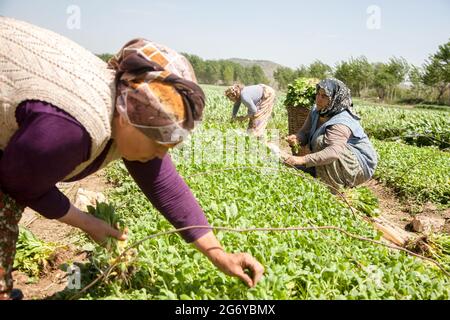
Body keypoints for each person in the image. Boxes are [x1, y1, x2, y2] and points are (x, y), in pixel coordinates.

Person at [0, 17, 264, 300]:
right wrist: (89, 223)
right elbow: (19, 183)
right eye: (159, 144)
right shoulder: (76, 127)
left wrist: (218, 254)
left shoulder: (127, 102)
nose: (161, 155)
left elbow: (166, 187)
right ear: (128, 118)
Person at [284, 78, 378, 190]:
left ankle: (331, 189)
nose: (318, 99)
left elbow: (333, 152)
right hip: (338, 156)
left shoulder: (341, 121)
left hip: (359, 166)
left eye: (324, 96)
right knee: (314, 151)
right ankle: (322, 176)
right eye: (318, 94)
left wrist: (301, 159)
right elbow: (305, 132)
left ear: (335, 99)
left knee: (321, 142)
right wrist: (297, 138)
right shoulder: (317, 110)